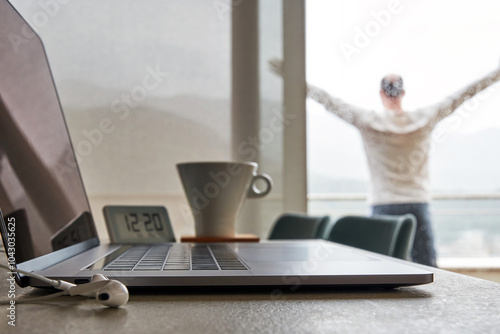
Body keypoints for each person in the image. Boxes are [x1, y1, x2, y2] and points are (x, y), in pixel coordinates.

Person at [270, 59, 500, 266]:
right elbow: (463, 95)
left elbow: (329, 101)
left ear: (381, 93)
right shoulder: (424, 119)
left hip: (383, 205)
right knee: (429, 271)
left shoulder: (368, 121)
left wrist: (292, 77)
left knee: (380, 269)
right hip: (417, 204)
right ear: (403, 93)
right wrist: (496, 73)